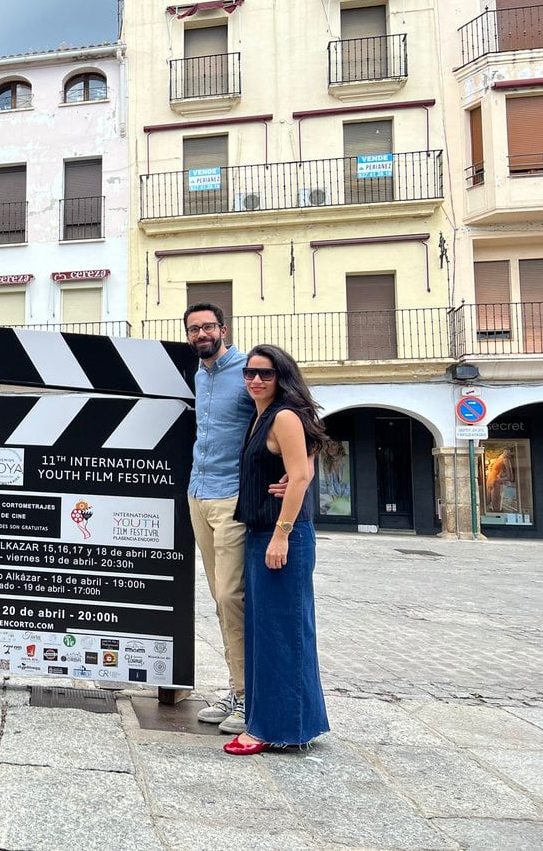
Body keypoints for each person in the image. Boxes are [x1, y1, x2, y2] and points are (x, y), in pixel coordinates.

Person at [225, 344, 330, 755]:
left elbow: (301, 473)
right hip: (261, 532)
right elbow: (308, 458)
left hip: (281, 536)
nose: (255, 380)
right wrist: (299, 473)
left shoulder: (283, 415)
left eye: (265, 374)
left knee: (279, 633)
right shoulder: (262, 416)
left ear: (281, 377)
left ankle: (273, 727)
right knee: (268, 630)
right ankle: (288, 722)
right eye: (249, 373)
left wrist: (282, 534)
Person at [184, 302, 256, 735]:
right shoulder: (198, 375)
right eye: (193, 329)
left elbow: (293, 421)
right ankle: (237, 689)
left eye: (207, 327)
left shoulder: (251, 370)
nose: (200, 334)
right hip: (198, 493)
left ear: (223, 329)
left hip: (232, 497)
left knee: (232, 597)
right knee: (218, 597)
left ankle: (250, 697)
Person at [485, 448, 513, 513]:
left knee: (496, 506)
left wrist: (496, 480)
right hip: (490, 481)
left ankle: (497, 518)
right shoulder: (498, 458)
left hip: (495, 483)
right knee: (486, 501)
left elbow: (510, 477)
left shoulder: (506, 460)